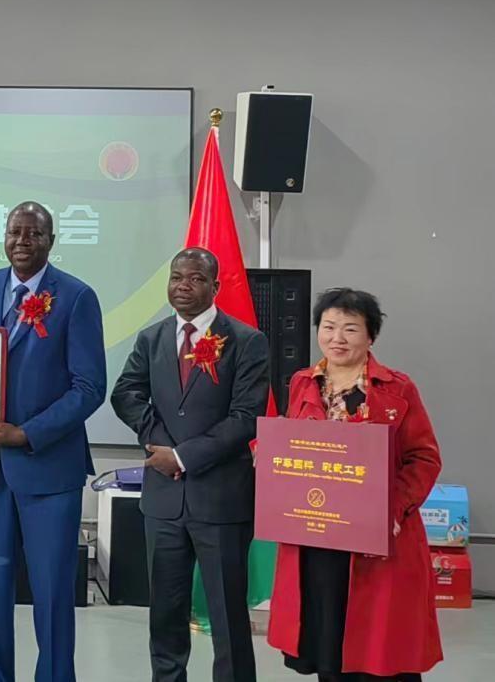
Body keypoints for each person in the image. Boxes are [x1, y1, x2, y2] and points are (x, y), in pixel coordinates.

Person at [0, 201, 107, 682]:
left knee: (52, 596)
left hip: (49, 469)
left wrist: (27, 433)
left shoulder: (77, 297)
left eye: (34, 233)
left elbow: (89, 387)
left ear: (51, 240)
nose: (22, 241)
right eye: (15, 232)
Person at [110, 247, 270, 682]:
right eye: (177, 277)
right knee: (165, 612)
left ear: (215, 287)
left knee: (227, 615)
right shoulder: (152, 338)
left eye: (196, 279)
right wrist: (160, 445)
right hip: (163, 502)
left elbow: (246, 417)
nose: (183, 286)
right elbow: (125, 394)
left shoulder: (246, 341)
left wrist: (183, 456)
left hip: (221, 501)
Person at [268, 289, 442, 682]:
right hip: (317, 534)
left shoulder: (397, 389)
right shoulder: (302, 383)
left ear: (370, 336)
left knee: (381, 647)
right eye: (329, 327)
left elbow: (424, 458)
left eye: (350, 329)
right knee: (327, 640)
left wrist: (391, 510)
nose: (337, 338)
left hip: (377, 541)